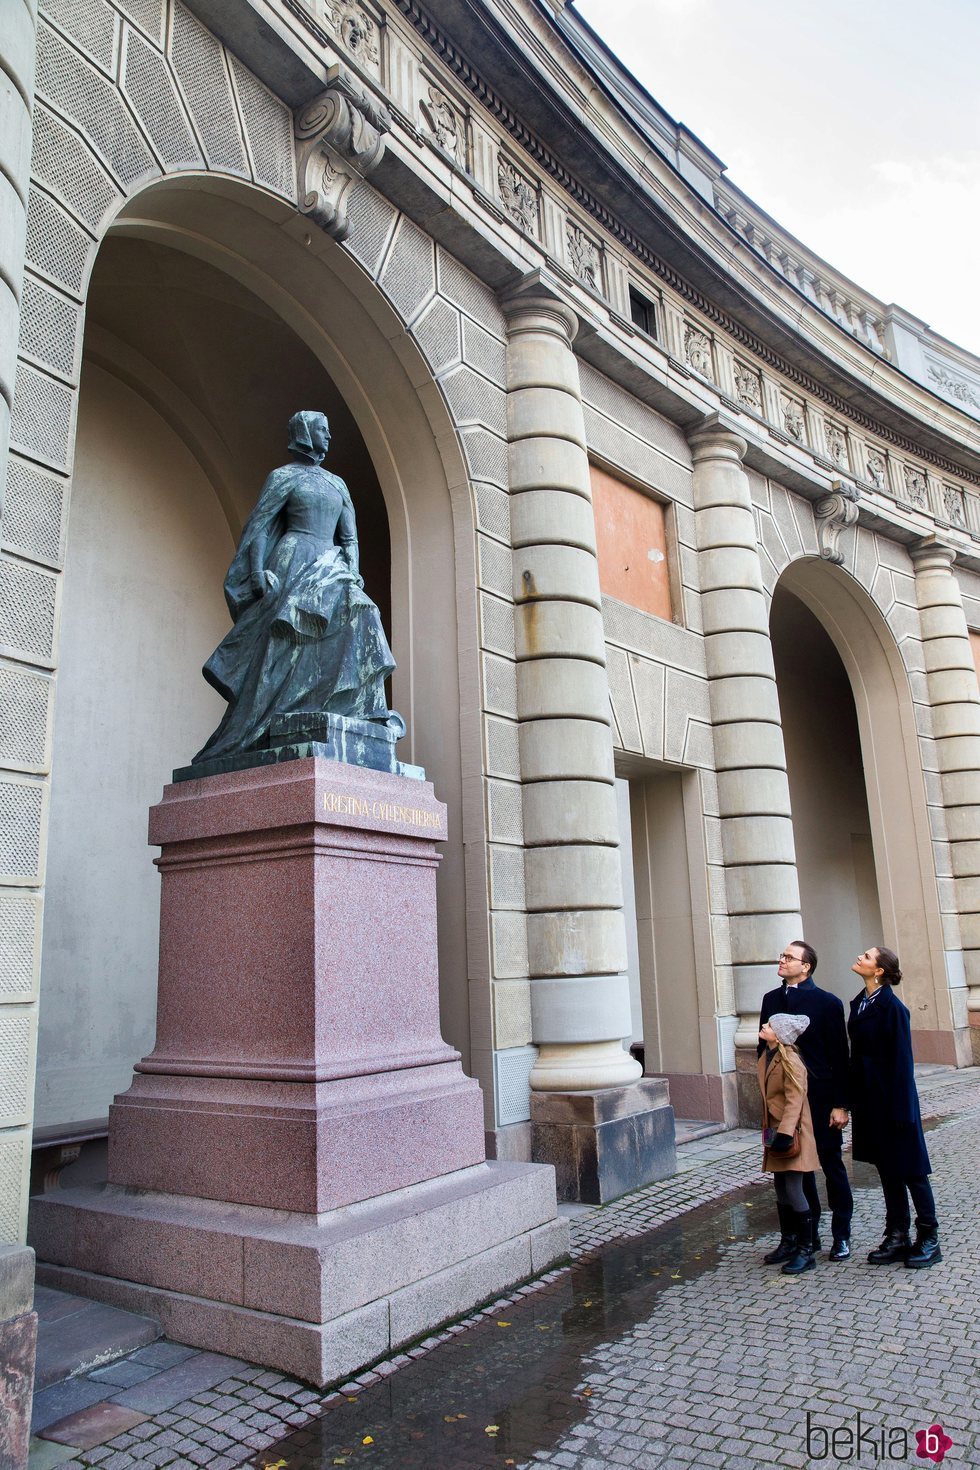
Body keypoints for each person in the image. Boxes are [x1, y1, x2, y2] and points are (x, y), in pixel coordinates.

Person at [194, 410, 401, 765]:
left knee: (365, 611)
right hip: (292, 559)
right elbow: (260, 527)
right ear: (305, 432)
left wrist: (352, 570)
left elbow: (349, 537)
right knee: (287, 641)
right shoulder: (283, 477)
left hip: (331, 564)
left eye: (328, 429)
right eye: (323, 429)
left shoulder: (338, 484)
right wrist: (257, 571)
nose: (329, 436)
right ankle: (275, 714)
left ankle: (363, 709)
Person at [758, 941, 853, 1261]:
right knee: (788, 1166)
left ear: (806, 966)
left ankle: (841, 1235)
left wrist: (841, 1103)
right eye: (782, 955)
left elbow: (840, 1056)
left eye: (789, 957)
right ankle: (801, 1239)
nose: (782, 960)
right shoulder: (770, 999)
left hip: (820, 1099)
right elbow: (765, 1052)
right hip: (781, 1105)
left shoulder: (827, 1002)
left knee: (830, 1164)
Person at [848, 946, 941, 1269]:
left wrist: (902, 1112)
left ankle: (929, 1237)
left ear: (879, 971)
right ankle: (897, 1235)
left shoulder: (893, 1009)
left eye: (868, 956)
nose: (861, 957)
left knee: (913, 1171)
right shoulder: (859, 1003)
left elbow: (903, 1063)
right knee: (887, 1170)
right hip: (870, 1103)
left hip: (895, 1103)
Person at [758, 1012, 820, 1274]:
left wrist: (784, 1133)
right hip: (775, 1130)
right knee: (781, 1186)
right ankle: (789, 1241)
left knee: (794, 1187)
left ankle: (807, 1250)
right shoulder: (768, 1056)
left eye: (769, 1025)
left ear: (780, 1034)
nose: (763, 1026)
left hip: (792, 1132)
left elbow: (796, 1099)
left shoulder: (790, 1059)